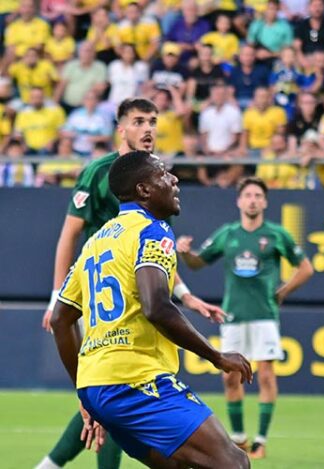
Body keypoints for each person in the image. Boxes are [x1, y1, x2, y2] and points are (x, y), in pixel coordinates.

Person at [36, 98, 224, 469]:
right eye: (139, 121)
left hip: (97, 286)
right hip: (113, 314)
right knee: (228, 460)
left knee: (104, 395)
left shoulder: (131, 226)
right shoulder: (102, 175)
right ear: (121, 128)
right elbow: (69, 235)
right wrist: (216, 357)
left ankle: (51, 463)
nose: (149, 129)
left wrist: (185, 294)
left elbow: (149, 263)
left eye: (153, 121)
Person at [176, 176, 314, 460]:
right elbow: (199, 262)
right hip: (234, 315)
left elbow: (306, 267)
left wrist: (283, 291)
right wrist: (187, 254)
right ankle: (239, 439)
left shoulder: (277, 234)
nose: (252, 200)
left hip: (264, 315)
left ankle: (261, 440)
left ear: (264, 201)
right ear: (239, 201)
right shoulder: (228, 233)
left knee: (265, 374)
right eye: (248, 195)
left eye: (257, 196)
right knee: (231, 377)